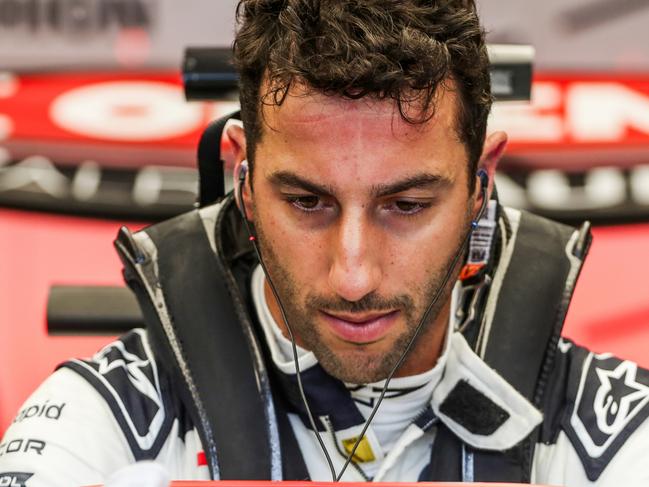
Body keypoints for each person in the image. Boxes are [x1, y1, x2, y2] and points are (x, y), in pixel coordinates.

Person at [2, 1, 648, 486]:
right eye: (307, 201)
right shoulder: (104, 422)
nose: (353, 275)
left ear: (480, 180)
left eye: (406, 204)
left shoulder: (615, 435)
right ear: (242, 177)